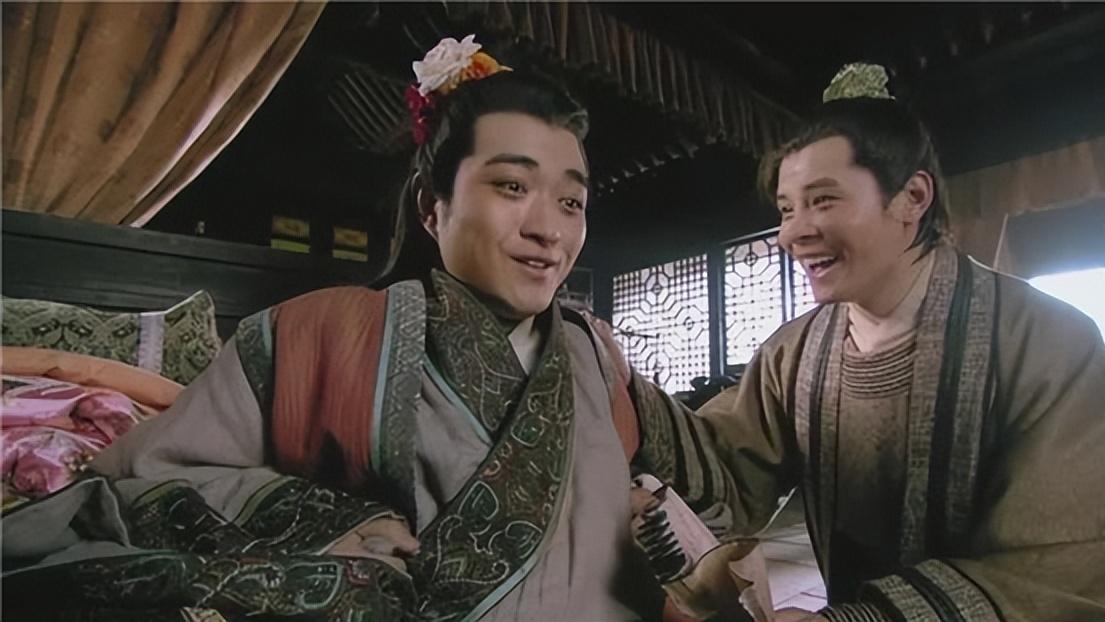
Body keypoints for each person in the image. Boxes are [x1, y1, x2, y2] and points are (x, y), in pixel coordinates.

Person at [1, 36, 740, 621]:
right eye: (512, 186)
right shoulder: (321, 333)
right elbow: (142, 479)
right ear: (432, 209)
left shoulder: (594, 353)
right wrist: (315, 522)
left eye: (571, 202)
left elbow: (713, 483)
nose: (548, 229)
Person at [688, 64, 1105, 621]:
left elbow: (1057, 566)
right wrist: (622, 398)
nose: (791, 233)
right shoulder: (795, 352)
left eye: (822, 200)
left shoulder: (1050, 342)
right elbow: (729, 466)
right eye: (786, 209)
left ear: (912, 197)